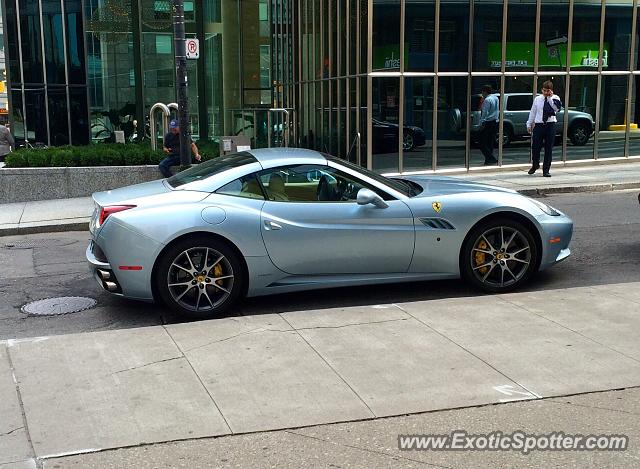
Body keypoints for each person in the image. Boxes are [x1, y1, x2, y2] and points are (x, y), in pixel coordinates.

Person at [526, 80, 562, 177]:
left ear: (551, 90)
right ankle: (535, 164)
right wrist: (529, 124)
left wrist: (550, 99)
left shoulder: (555, 98)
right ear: (542, 90)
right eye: (544, 90)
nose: (546, 93)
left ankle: (546, 169)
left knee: (548, 148)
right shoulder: (537, 99)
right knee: (535, 147)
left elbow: (556, 109)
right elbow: (533, 111)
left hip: (550, 124)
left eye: (548, 91)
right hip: (539, 125)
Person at [479, 85, 499, 165]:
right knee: (490, 141)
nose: (482, 94)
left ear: (485, 91)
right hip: (494, 122)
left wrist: (481, 123)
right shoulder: (495, 98)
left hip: (487, 122)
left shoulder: (487, 100)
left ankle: (490, 158)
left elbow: (485, 112)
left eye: (482, 92)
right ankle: (488, 159)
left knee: (482, 142)